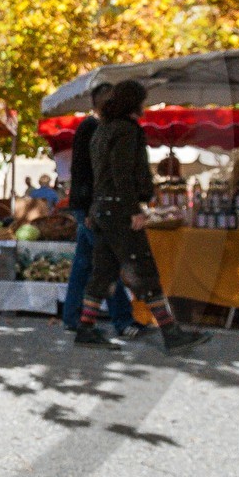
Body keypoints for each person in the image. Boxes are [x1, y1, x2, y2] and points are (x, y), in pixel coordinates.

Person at [75, 80, 211, 354]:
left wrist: (94, 209)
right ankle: (171, 333)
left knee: (103, 272)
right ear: (134, 102)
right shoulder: (126, 130)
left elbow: (99, 175)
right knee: (143, 270)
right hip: (119, 211)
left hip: (103, 209)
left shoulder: (101, 130)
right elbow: (121, 173)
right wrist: (134, 210)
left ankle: (85, 328)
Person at [62, 85, 137, 340]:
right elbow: (92, 173)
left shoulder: (97, 129)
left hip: (88, 205)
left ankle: (72, 317)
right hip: (92, 206)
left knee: (83, 264)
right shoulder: (93, 129)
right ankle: (123, 320)